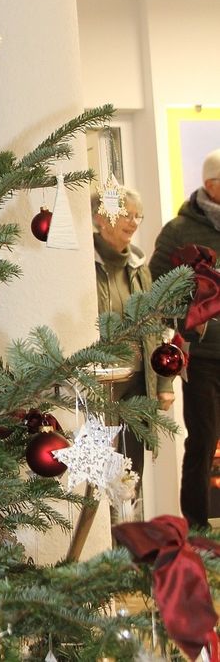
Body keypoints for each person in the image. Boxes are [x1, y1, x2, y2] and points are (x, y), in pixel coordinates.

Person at [149, 149, 220, 529]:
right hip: (203, 354)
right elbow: (155, 288)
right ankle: (197, 525)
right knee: (204, 438)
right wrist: (189, 316)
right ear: (211, 184)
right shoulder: (178, 231)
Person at [92, 187, 174, 495]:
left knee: (130, 473)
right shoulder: (86, 265)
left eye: (138, 216)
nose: (134, 222)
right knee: (101, 467)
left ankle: (130, 522)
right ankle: (106, 524)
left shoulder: (139, 266)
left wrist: (164, 383)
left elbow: (156, 326)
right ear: (101, 218)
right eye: (127, 214)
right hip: (101, 383)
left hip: (138, 381)